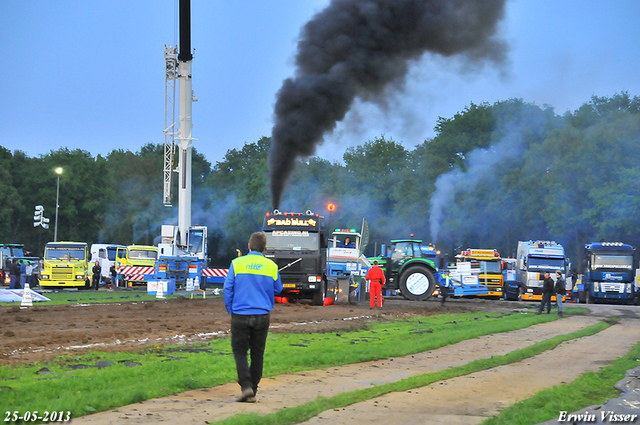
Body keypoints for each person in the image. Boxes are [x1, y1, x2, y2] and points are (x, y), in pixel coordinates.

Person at [223, 231, 283, 403]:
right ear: (265, 248)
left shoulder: (237, 263)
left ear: (248, 246)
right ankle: (253, 391)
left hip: (240, 313)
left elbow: (227, 289)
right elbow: (278, 289)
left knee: (240, 351)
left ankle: (246, 386)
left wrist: (230, 309)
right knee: (258, 353)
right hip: (262, 315)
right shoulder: (271, 266)